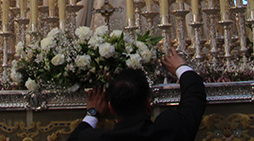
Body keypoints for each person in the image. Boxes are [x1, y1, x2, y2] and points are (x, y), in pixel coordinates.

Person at [67, 48, 206, 141]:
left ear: (111, 108)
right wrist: (180, 67)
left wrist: (92, 114)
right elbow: (195, 96)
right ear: (148, 104)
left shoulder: (92, 138)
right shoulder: (170, 130)